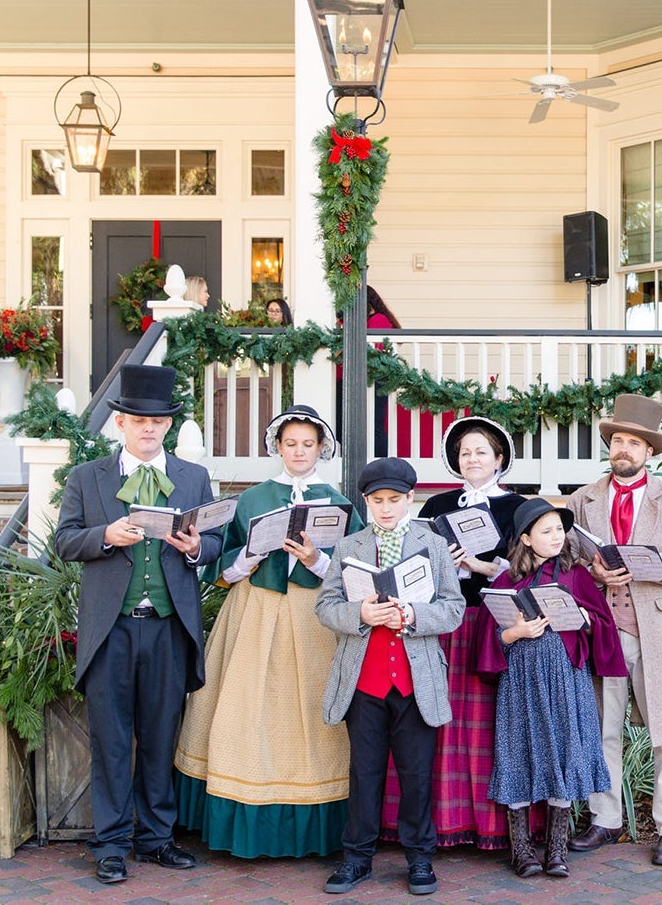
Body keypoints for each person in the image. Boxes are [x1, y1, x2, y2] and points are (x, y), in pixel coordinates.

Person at [55, 363, 223, 885]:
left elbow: (217, 542)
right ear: (120, 423)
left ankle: (155, 838)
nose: (149, 428)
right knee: (109, 738)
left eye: (158, 421)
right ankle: (110, 843)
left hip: (168, 627)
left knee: (159, 736)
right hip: (113, 628)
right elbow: (64, 543)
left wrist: (198, 548)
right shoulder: (88, 477)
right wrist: (107, 535)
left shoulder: (192, 477)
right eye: (137, 419)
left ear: (168, 426)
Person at [174, 405, 363, 857]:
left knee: (312, 711)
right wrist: (248, 558)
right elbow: (220, 563)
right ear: (277, 446)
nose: (299, 451)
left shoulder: (337, 502)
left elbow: (357, 571)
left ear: (322, 448)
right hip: (255, 611)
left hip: (314, 618)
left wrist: (316, 560)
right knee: (245, 707)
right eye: (290, 443)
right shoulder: (253, 498)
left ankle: (317, 815)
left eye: (308, 444)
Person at [566, 394, 662, 867]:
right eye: (618, 441)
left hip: (656, 630)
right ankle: (605, 818)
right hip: (604, 629)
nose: (623, 449)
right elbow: (568, 561)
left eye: (634, 442)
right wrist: (595, 571)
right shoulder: (582, 499)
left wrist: (649, 565)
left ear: (650, 451)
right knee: (603, 730)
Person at [316, 458, 464, 897]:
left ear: (410, 500)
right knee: (364, 772)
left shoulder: (433, 545)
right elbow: (324, 606)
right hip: (364, 680)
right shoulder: (349, 547)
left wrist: (415, 613)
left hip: (416, 682)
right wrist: (358, 613)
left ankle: (420, 859)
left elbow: (454, 608)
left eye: (394, 500)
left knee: (417, 774)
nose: (385, 508)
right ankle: (357, 859)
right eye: (377, 501)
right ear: (366, 502)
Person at [474, 498, 625, 878]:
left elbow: (603, 626)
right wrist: (515, 632)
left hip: (565, 681)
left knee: (565, 753)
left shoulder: (576, 576)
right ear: (526, 538)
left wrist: (585, 618)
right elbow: (488, 639)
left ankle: (556, 851)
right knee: (518, 753)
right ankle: (521, 851)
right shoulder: (506, 582)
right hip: (521, 683)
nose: (556, 536)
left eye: (560, 529)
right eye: (547, 530)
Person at [412, 417, 525, 851]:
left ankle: (495, 826)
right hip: (445, 623)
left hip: (492, 622)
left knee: (489, 724)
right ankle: (444, 819)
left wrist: (478, 566)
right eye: (465, 453)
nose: (472, 458)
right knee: (440, 719)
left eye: (481, 451)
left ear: (499, 459)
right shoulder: (438, 504)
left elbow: (526, 569)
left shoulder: (517, 508)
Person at [365, 286, 400, 456]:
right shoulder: (372, 319)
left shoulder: (378, 320)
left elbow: (374, 351)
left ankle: (380, 463)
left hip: (377, 379)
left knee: (375, 426)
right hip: (370, 379)